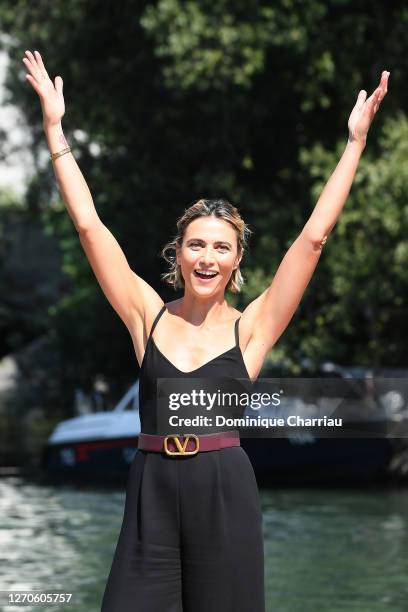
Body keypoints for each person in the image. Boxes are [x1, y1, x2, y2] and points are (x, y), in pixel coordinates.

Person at [23, 49, 389, 611]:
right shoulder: (146, 314)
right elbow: (88, 225)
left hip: (224, 493)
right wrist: (55, 129)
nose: (208, 256)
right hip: (150, 493)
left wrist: (355, 144)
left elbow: (313, 238)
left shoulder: (253, 329)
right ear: (179, 253)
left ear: (236, 261)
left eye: (222, 247)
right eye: (197, 244)